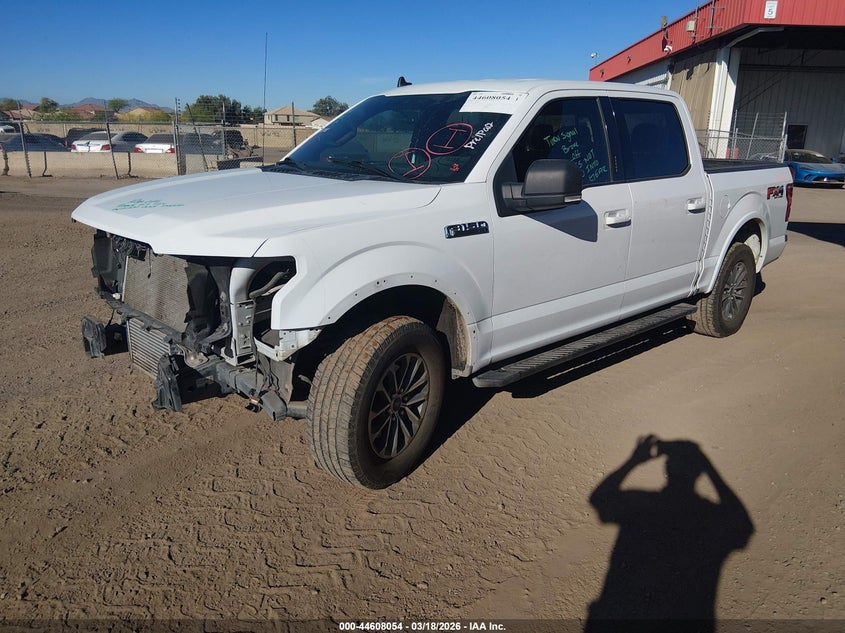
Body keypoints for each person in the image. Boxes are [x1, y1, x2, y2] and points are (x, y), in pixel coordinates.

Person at [585, 435, 754, 633]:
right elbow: (743, 524)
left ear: (667, 470)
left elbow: (600, 498)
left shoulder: (641, 505)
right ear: (697, 473)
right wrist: (707, 465)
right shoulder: (708, 517)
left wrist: (634, 461)